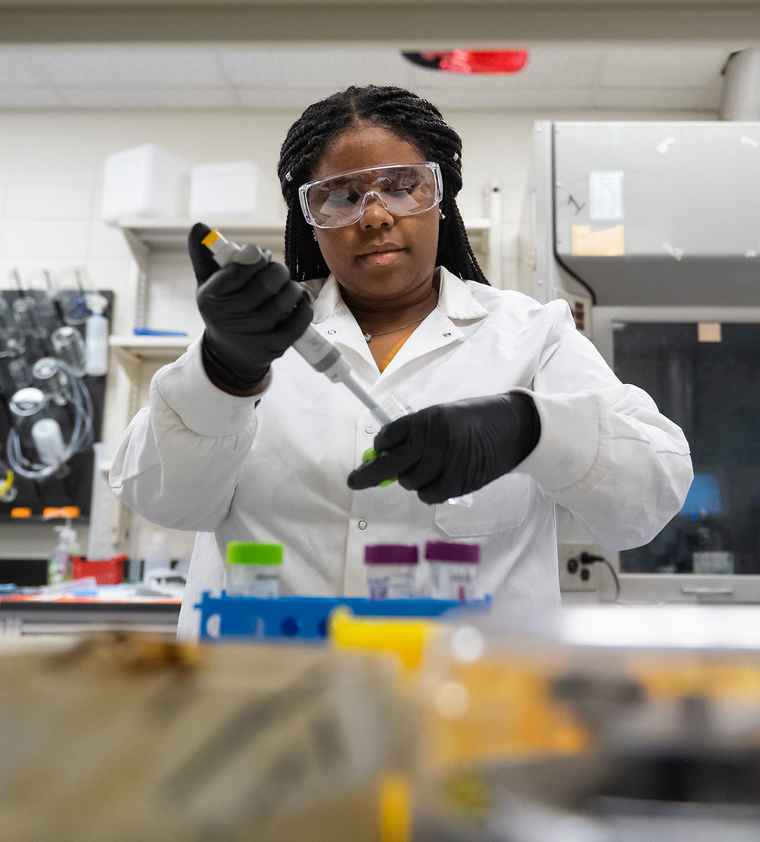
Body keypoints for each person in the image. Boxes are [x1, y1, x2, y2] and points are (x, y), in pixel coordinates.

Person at [109, 85, 693, 638]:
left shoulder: (529, 336)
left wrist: (531, 428)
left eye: (401, 185)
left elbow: (649, 500)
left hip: (463, 715)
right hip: (268, 708)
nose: (375, 215)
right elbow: (163, 499)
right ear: (309, 222)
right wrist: (226, 372)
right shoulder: (260, 335)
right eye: (340, 195)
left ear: (441, 199)